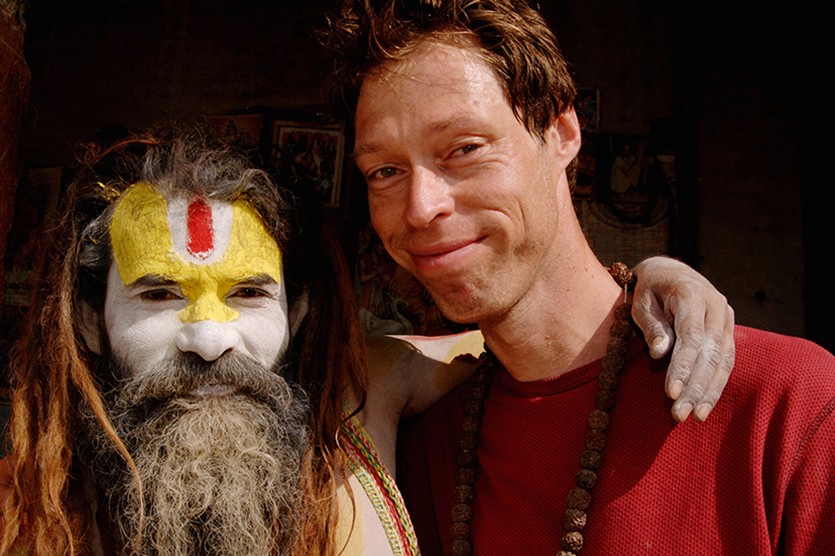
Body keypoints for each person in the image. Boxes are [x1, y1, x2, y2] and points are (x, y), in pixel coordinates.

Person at [323, 1, 835, 554]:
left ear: (563, 132)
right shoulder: (411, 446)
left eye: (465, 148)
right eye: (385, 171)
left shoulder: (785, 406)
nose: (421, 208)